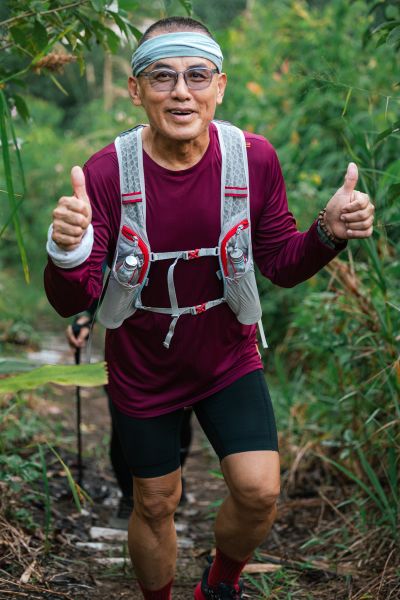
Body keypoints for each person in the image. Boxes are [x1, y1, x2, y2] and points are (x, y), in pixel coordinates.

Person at [44, 16, 375, 600]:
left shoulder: (252, 159)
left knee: (259, 491)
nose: (181, 92)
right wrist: (67, 251)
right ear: (136, 90)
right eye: (162, 77)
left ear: (219, 86)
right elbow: (74, 296)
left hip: (227, 353)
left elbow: (280, 262)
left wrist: (327, 232)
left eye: (197, 76)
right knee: (156, 501)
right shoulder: (106, 173)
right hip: (143, 363)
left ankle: (219, 584)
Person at [66, 305, 193, 522]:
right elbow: (108, 282)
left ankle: (173, 481)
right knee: (124, 426)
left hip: (185, 341)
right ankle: (129, 495)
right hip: (129, 344)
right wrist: (87, 314)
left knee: (180, 419)